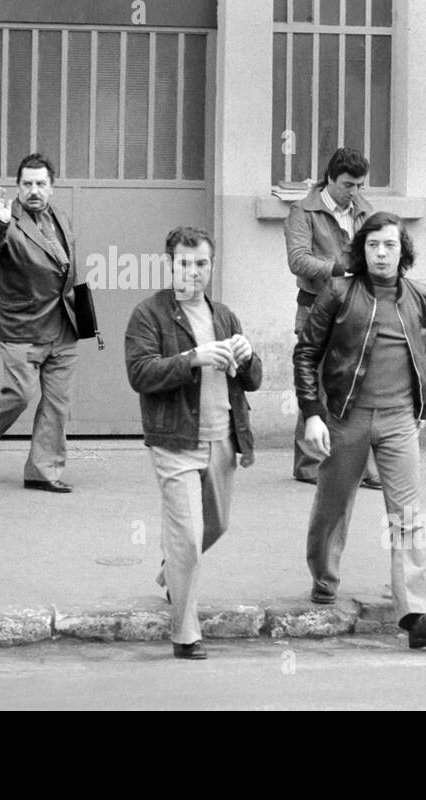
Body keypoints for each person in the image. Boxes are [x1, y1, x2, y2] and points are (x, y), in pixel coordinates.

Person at [294, 211, 426, 650]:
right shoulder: (339, 292)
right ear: (361, 250)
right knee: (332, 504)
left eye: (390, 245)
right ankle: (324, 576)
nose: (381, 253)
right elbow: (306, 352)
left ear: (403, 251)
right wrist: (313, 413)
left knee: (407, 514)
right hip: (347, 415)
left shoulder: (420, 296)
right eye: (373, 245)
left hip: (400, 419)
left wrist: (422, 404)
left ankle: (416, 609)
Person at [124, 226, 261, 660]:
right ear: (170, 265)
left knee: (215, 526)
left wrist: (248, 354)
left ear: (211, 266)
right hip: (175, 439)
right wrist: (192, 359)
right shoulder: (149, 315)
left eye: (201, 263)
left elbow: (254, 381)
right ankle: (186, 633)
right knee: (186, 538)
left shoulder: (224, 316)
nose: (193, 272)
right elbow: (140, 374)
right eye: (184, 263)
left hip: (223, 437)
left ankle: (173, 573)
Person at [0, 154, 79, 493]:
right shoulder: (4, 220)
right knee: (20, 393)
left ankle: (42, 472)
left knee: (58, 404)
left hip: (63, 327)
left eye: (41, 184)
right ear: (17, 187)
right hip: (22, 328)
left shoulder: (61, 217)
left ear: (52, 188)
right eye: (27, 184)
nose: (33, 190)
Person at [284, 147, 380, 490]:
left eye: (359, 185)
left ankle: (365, 469)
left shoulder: (365, 211)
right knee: (318, 384)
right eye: (347, 184)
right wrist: (340, 268)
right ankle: (310, 465)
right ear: (330, 179)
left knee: (361, 384)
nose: (354, 191)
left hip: (357, 307)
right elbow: (297, 260)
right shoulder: (303, 211)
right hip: (315, 307)